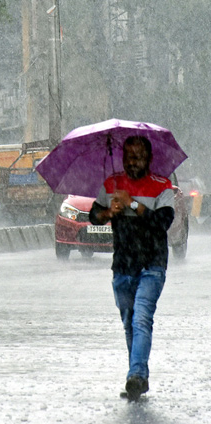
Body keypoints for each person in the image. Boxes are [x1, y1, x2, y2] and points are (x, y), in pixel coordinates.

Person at [88, 135, 176, 402]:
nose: (132, 162)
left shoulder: (162, 186)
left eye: (137, 157)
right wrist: (109, 212)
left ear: (148, 158)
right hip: (122, 267)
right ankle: (138, 376)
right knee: (129, 323)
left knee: (141, 318)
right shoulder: (111, 184)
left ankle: (136, 375)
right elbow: (94, 214)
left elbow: (162, 222)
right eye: (127, 157)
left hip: (152, 266)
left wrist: (134, 204)